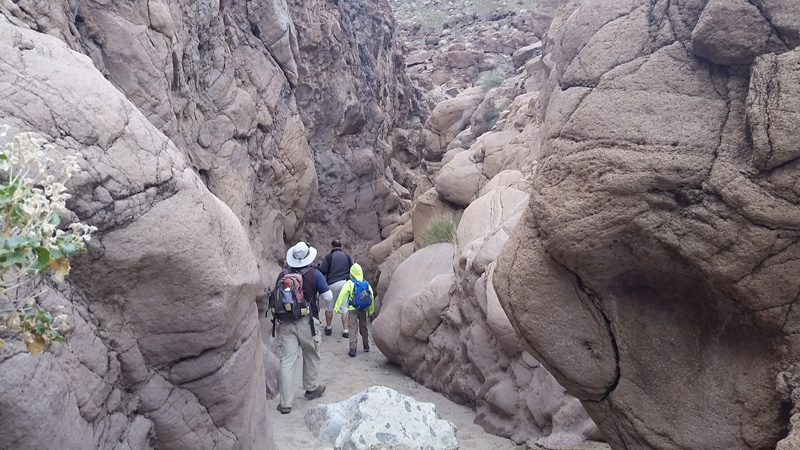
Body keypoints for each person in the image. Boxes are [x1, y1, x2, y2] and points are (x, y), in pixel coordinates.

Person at [275, 241, 332, 414]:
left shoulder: (283, 274)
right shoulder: (315, 273)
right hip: (308, 322)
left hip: (286, 323)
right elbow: (328, 297)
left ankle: (285, 403)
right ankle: (311, 388)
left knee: (287, 361)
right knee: (312, 354)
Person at [333, 263, 375, 357]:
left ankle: (353, 349)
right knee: (363, 326)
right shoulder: (365, 283)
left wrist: (337, 307)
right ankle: (366, 344)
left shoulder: (349, 283)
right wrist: (371, 310)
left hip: (352, 308)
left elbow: (342, 294)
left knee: (353, 328)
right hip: (363, 308)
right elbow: (371, 296)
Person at [318, 239, 353, 337]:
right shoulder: (347, 257)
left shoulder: (329, 258)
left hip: (332, 284)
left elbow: (323, 271)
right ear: (340, 246)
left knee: (329, 307)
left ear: (332, 246)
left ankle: (329, 328)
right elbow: (352, 269)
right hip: (345, 283)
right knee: (344, 307)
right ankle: (345, 330)